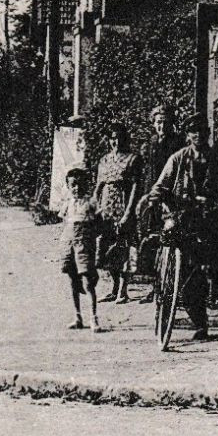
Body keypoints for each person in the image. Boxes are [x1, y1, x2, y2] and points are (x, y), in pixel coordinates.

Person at [147, 115, 218, 340]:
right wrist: (163, 202)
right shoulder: (178, 159)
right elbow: (159, 187)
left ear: (207, 134)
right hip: (185, 221)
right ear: (188, 135)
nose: (197, 135)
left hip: (211, 221)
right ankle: (200, 324)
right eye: (192, 131)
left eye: (201, 131)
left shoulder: (216, 159)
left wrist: (213, 203)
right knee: (189, 276)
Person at [133, 104, 188, 280]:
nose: (161, 126)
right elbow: (148, 171)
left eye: (165, 122)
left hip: (170, 193)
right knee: (151, 235)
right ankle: (157, 282)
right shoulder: (151, 143)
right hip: (153, 192)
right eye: (158, 122)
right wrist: (147, 193)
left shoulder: (178, 143)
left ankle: (171, 281)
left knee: (169, 236)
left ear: (171, 123)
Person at [93, 123, 138, 304]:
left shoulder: (133, 159)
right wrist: (94, 207)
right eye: (112, 138)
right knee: (107, 250)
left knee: (124, 248)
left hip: (123, 207)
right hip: (106, 210)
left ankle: (123, 289)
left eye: (119, 137)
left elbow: (135, 187)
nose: (116, 141)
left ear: (125, 139)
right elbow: (99, 186)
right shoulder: (104, 160)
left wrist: (128, 213)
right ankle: (113, 287)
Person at [58, 167, 106, 332]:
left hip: (85, 245)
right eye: (73, 185)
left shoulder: (91, 203)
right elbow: (65, 224)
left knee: (87, 281)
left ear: (87, 185)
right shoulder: (67, 204)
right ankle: (77, 316)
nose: (77, 188)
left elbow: (99, 225)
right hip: (69, 243)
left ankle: (93, 318)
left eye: (80, 184)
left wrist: (90, 238)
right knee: (73, 280)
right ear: (69, 186)